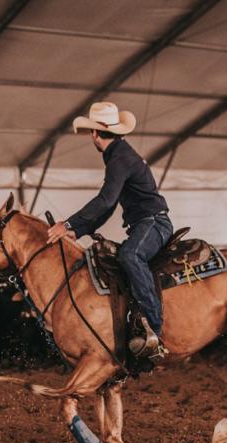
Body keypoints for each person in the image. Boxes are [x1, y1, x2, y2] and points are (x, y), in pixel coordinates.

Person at [45, 102, 172, 359]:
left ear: (94, 133)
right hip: (145, 223)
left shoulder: (120, 158)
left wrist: (67, 224)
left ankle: (155, 327)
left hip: (153, 222)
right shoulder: (118, 156)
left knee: (130, 256)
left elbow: (105, 201)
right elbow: (108, 206)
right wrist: (77, 231)